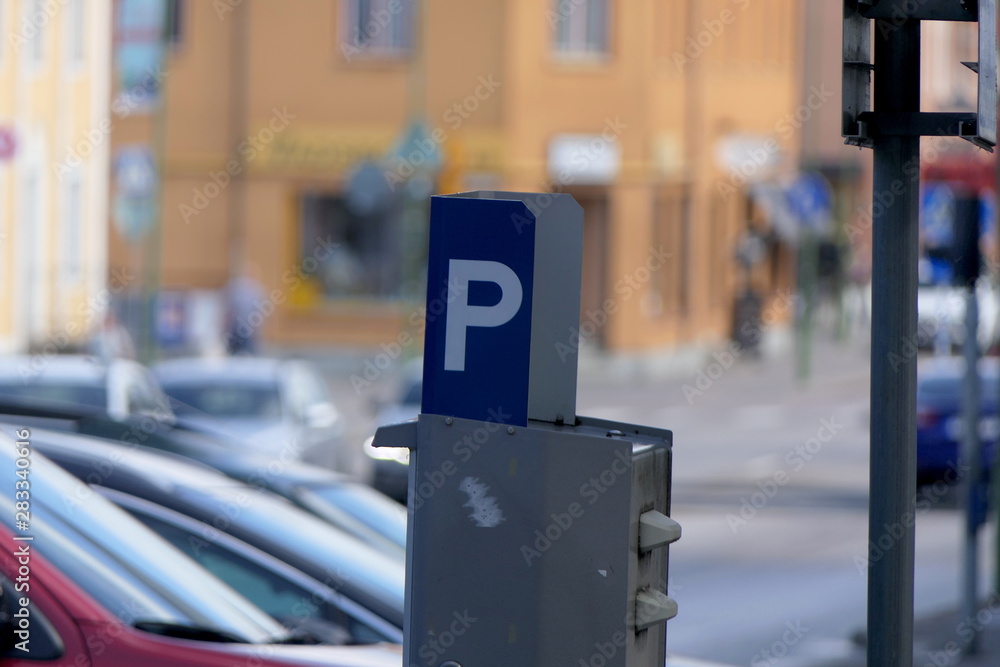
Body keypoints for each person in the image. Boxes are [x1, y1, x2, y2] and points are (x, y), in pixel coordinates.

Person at [223, 271, 266, 355]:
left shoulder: (256, 291)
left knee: (244, 350)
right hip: (239, 327)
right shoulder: (236, 290)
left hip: (246, 327)